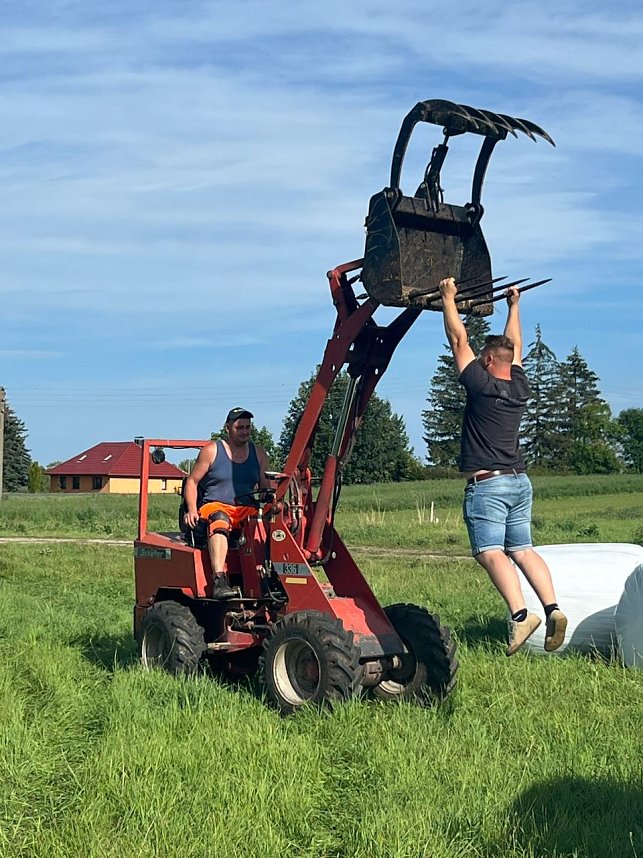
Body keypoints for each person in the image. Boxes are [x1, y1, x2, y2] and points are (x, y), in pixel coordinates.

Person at [438, 276, 567, 655]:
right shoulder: (519, 386)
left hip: (489, 484)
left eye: (484, 357)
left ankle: (520, 615)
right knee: (523, 550)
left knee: (488, 551)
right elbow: (516, 347)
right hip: (519, 481)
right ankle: (553, 607)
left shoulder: (482, 384)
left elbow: (459, 341)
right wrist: (514, 305)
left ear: (490, 361)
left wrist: (448, 298)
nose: (478, 358)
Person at [183, 407, 270, 599]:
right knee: (220, 521)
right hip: (216, 506)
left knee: (273, 523)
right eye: (240, 427)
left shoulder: (260, 454)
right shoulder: (212, 451)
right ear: (228, 428)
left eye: (248, 427)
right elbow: (192, 481)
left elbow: (265, 488)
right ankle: (219, 580)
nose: (245, 431)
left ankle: (270, 576)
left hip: (246, 509)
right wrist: (191, 509)